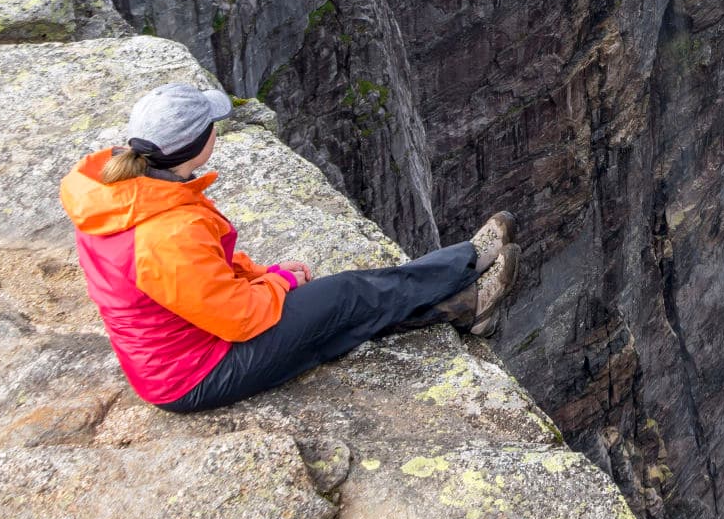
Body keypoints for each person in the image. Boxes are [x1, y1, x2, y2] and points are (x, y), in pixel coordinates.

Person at [60, 80, 520, 413]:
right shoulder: (164, 231)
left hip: (182, 352)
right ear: (198, 144)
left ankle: (463, 304)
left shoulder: (125, 194)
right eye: (212, 126)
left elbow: (201, 272)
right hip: (198, 373)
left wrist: (261, 276)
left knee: (331, 312)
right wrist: (278, 282)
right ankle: (464, 263)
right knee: (345, 295)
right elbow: (238, 317)